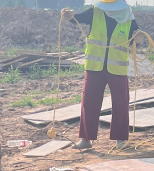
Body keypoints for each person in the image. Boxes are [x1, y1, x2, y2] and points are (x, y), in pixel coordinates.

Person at [62, 0, 144, 151]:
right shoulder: (96, 11)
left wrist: (139, 39)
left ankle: (120, 140)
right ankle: (86, 139)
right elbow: (78, 19)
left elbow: (135, 37)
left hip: (117, 67)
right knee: (89, 102)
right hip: (95, 66)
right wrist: (70, 16)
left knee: (121, 103)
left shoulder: (127, 15)